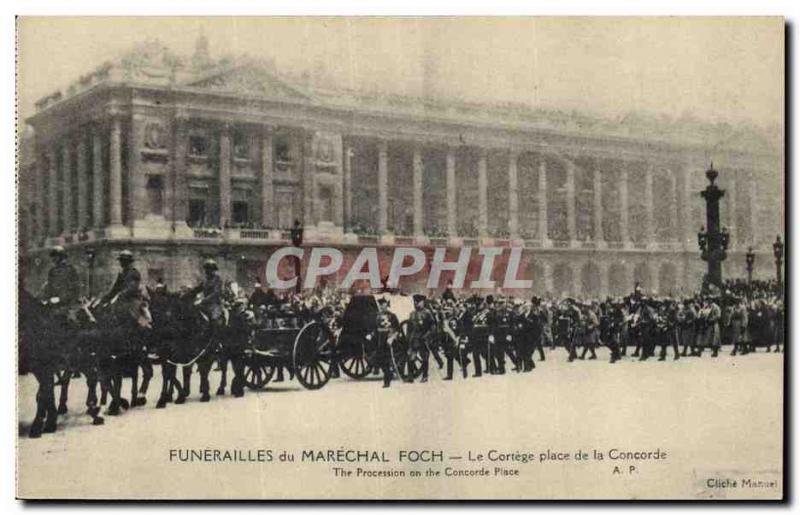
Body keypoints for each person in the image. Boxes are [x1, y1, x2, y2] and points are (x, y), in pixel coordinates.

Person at [40, 245, 81, 317]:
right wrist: (45, 298)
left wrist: (60, 299)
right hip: (54, 304)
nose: (53, 259)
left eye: (56, 256)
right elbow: (50, 286)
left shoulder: (70, 270)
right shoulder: (52, 271)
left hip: (68, 305)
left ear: (61, 257)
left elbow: (75, 289)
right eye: (53, 257)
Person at [376, 297, 400, 388]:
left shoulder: (392, 316)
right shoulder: (377, 316)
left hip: (389, 339)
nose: (382, 307)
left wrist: (392, 337)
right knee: (380, 360)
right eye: (380, 305)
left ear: (386, 305)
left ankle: (387, 381)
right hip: (380, 339)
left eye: (383, 305)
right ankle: (388, 373)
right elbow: (375, 328)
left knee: (386, 360)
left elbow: (397, 328)